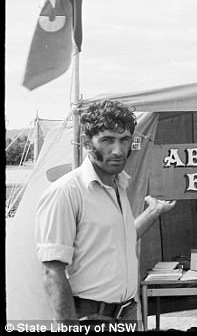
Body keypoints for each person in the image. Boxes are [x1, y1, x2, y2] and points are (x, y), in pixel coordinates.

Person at [35, 99, 176, 329]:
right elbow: (52, 273)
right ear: (85, 143)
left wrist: (153, 212)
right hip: (89, 318)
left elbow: (120, 238)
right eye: (107, 140)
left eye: (124, 140)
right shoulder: (67, 192)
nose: (118, 150)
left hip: (126, 314)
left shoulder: (118, 185)